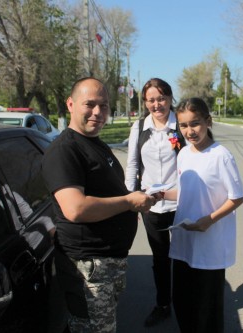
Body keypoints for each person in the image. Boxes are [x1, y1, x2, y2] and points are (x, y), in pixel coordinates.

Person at [41, 77, 158, 333]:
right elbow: (76, 208)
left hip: (107, 264)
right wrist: (128, 202)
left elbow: (106, 192)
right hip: (89, 268)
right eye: (90, 104)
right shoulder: (64, 150)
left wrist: (133, 203)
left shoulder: (94, 143)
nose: (98, 112)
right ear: (70, 104)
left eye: (103, 106)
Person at [164, 97, 243, 333]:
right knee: (183, 302)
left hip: (210, 246)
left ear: (208, 122)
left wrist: (209, 220)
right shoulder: (183, 154)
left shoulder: (221, 155)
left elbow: (237, 196)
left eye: (195, 123)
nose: (189, 131)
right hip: (184, 241)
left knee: (207, 310)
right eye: (183, 125)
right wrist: (160, 195)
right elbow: (185, 192)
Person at [125, 78, 185, 327]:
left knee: (184, 257)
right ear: (145, 102)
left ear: (170, 98)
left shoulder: (181, 124)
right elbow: (133, 165)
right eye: (151, 99)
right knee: (160, 259)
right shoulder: (139, 128)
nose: (156, 104)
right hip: (152, 206)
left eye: (161, 98)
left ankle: (186, 302)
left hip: (181, 203)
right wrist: (131, 199)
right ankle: (163, 304)